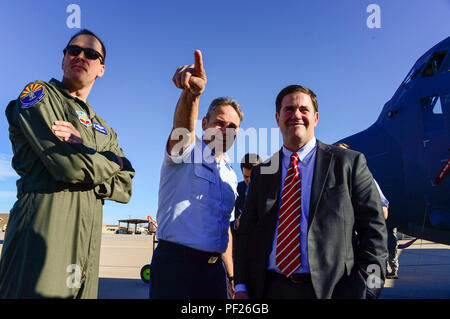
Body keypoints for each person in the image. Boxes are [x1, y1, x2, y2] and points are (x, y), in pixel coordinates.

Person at [0, 29, 135, 298]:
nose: (81, 56)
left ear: (101, 69)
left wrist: (85, 151)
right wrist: (114, 161)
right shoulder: (39, 94)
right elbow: (68, 168)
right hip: (42, 243)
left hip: (87, 253)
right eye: (73, 50)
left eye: (91, 54)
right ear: (63, 59)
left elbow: (125, 187)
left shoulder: (105, 129)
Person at [235, 84, 388, 299]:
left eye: (303, 109)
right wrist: (240, 285)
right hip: (272, 289)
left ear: (315, 118)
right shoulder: (262, 173)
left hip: (334, 291)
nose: (296, 115)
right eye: (288, 109)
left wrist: (370, 290)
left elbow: (374, 231)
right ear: (277, 118)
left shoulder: (349, 163)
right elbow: (247, 233)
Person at [149, 50, 243, 299]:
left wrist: (231, 276)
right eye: (220, 123)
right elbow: (182, 130)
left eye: (233, 127)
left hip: (214, 272)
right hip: (177, 268)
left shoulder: (230, 175)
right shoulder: (188, 151)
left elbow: (225, 228)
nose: (226, 131)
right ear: (204, 124)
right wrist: (192, 95)